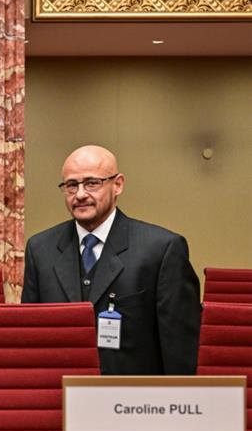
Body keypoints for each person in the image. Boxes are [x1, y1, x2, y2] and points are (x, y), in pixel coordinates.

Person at [22, 145, 200, 375]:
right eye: (71, 185)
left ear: (118, 185)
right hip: (59, 396)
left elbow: (180, 349)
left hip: (135, 401)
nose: (80, 194)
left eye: (92, 183)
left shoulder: (162, 249)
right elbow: (30, 340)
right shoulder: (40, 249)